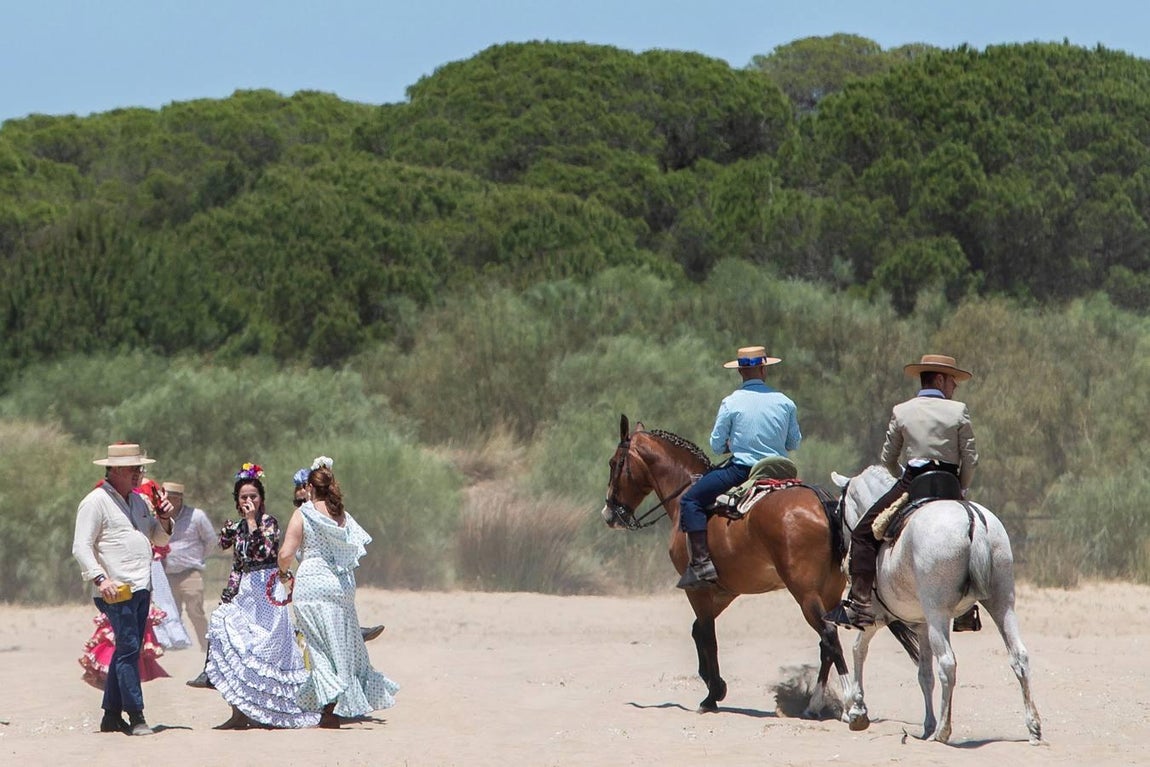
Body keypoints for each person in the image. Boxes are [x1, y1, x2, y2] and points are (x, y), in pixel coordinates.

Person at [825, 354, 980, 630]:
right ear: (941, 379)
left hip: (914, 484)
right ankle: (967, 609)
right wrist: (962, 487)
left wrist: (905, 481)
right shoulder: (959, 410)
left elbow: (887, 459)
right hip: (950, 486)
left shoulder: (902, 410)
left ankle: (860, 605)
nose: (955, 386)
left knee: (863, 533)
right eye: (952, 380)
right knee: (973, 533)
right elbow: (970, 459)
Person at [279, 457, 399, 728]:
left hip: (311, 584)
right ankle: (335, 703)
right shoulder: (342, 515)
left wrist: (283, 572)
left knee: (319, 646)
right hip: (341, 586)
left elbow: (286, 553)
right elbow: (355, 549)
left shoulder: (304, 513)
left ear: (310, 487)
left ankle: (329, 706)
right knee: (340, 645)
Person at [203, 462, 320, 729]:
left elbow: (263, 552)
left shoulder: (270, 524)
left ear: (262, 499)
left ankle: (272, 711)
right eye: (244, 497)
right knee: (231, 638)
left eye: (253, 497)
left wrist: (252, 522)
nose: (249, 501)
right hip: (245, 592)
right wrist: (230, 591)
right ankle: (238, 711)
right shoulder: (239, 527)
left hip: (267, 592)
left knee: (268, 652)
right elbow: (225, 548)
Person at [676, 346, 802, 589]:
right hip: (781, 471)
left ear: (741, 372)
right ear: (764, 369)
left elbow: (715, 445)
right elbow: (793, 442)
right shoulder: (785, 402)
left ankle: (701, 565)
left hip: (742, 471)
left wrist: (731, 443)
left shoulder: (731, 402)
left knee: (690, 501)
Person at [71, 442, 174, 737]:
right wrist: (101, 579)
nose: (139, 473)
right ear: (115, 469)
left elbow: (159, 538)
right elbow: (81, 546)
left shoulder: (139, 502)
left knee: (126, 649)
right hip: (116, 589)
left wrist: (165, 518)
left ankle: (111, 715)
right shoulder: (95, 501)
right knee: (129, 648)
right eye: (133, 468)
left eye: (139, 468)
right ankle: (136, 714)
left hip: (142, 586)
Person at [292, 468, 385, 644]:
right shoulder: (303, 514)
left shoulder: (323, 513)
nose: (301, 502)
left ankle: (351, 631)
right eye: (298, 500)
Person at [135, 480, 192, 650]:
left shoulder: (148, 486)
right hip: (141, 550)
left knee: (160, 594)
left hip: (149, 548)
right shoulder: (141, 487)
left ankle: (164, 633)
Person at [160, 481, 217, 652]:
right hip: (166, 574)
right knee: (169, 614)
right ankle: (173, 649)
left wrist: (197, 558)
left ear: (178, 499)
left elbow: (211, 540)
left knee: (195, 612)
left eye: (169, 498)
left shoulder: (196, 516)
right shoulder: (158, 517)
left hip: (190, 573)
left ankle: (206, 648)